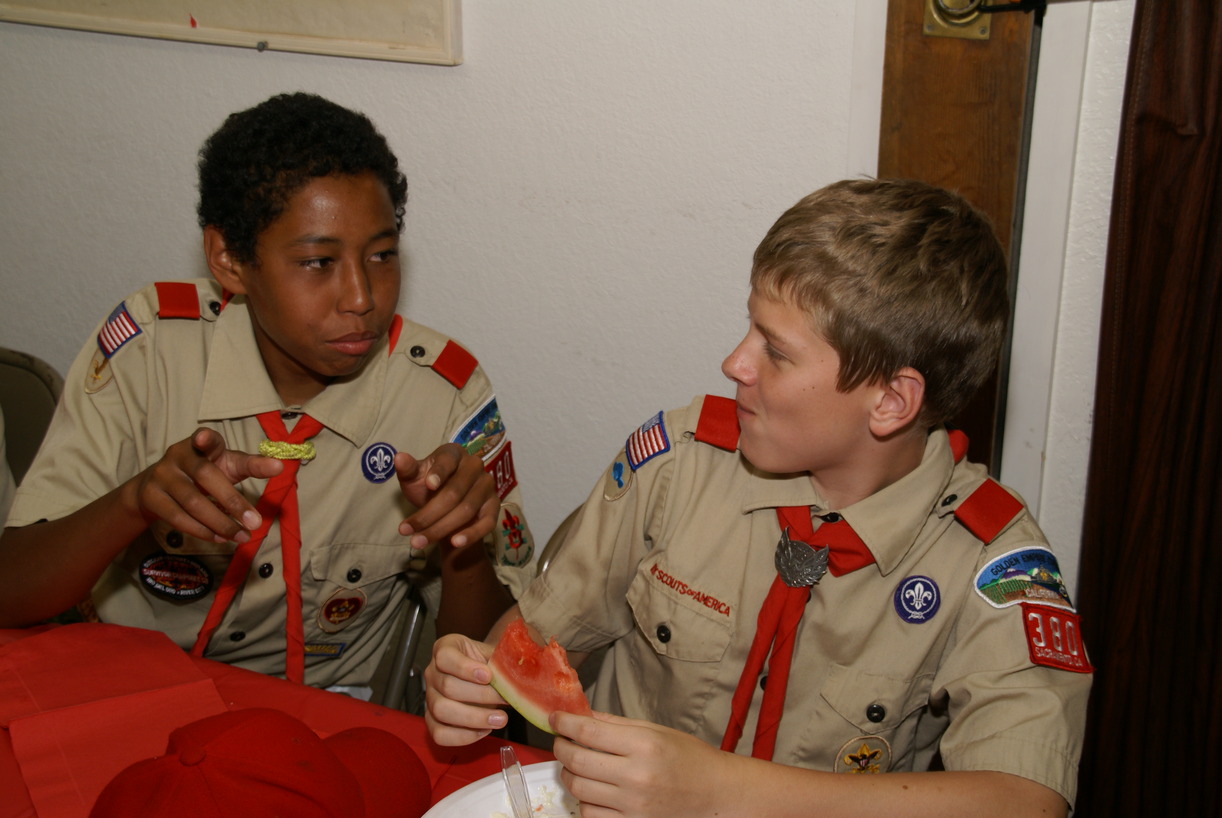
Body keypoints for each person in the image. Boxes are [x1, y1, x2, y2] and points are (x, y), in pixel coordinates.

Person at [422, 178, 1092, 817]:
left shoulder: (989, 561)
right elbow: (535, 633)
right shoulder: (679, 462)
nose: (735, 363)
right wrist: (472, 679)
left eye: (776, 351)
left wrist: (725, 792)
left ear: (891, 401)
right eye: (751, 329)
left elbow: (1029, 800)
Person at [0, 93, 537, 693]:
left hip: (323, 711)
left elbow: (493, 670)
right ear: (229, 260)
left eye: (382, 255)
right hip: (127, 687)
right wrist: (133, 502)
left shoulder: (444, 395)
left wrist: (462, 546)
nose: (362, 297)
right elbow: (11, 593)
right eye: (318, 262)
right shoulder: (151, 349)